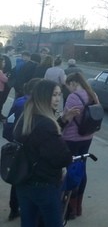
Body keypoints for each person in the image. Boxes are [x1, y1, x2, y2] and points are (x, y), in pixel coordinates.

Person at [13, 79, 80, 227]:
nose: (57, 99)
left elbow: (39, 140)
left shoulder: (26, 117)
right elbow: (62, 158)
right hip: (43, 185)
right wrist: (69, 156)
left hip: (24, 182)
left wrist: (62, 121)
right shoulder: (45, 123)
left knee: (28, 222)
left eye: (59, 94)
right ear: (43, 96)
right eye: (54, 95)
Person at [61, 71, 100, 219]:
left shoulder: (73, 97)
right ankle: (78, 206)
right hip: (87, 137)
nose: (68, 89)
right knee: (81, 168)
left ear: (73, 83)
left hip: (71, 139)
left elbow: (67, 119)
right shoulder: (92, 94)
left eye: (68, 86)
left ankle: (69, 207)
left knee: (70, 171)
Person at [2, 78, 41, 221]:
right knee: (29, 180)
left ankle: (14, 209)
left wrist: (12, 140)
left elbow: (9, 124)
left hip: (16, 146)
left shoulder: (18, 102)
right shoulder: (35, 106)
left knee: (17, 177)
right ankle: (28, 211)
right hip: (30, 149)